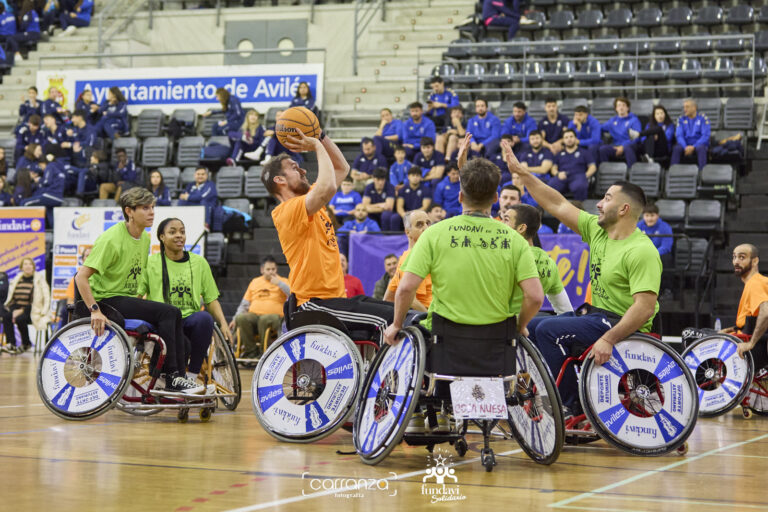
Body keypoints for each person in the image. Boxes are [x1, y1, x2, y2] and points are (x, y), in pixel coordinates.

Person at [504, 138, 661, 415]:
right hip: (597, 315)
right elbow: (557, 204)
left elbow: (645, 307)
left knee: (550, 331)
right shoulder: (598, 231)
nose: (599, 204)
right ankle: (570, 393)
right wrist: (523, 173)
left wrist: (609, 339)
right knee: (538, 325)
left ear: (624, 209)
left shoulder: (641, 250)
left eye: (607, 199)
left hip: (623, 324)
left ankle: (568, 404)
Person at [262, 128, 394, 342]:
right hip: (313, 303)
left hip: (334, 300)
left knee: (395, 311)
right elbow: (328, 185)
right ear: (280, 179)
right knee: (390, 318)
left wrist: (320, 136)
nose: (304, 171)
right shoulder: (286, 211)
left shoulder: (310, 203)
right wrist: (315, 146)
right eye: (295, 168)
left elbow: (342, 167)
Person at [74, 188, 205, 393]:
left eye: (152, 207)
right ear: (129, 211)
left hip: (124, 299)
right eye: (145, 208)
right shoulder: (111, 239)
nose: (151, 212)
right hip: (106, 300)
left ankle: (174, 376)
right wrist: (95, 310)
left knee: (174, 318)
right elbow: (80, 277)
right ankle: (171, 377)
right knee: (169, 312)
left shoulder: (144, 238)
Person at [139, 217, 232, 381]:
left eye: (182, 232)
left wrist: (224, 323)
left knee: (204, 318)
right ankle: (167, 376)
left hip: (189, 320)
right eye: (172, 232)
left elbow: (211, 299)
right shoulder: (150, 262)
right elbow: (138, 296)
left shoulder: (199, 262)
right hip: (162, 322)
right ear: (162, 237)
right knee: (183, 343)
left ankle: (192, 375)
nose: (179, 236)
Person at [503, 203, 573, 316]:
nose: (500, 225)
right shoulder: (549, 263)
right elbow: (565, 311)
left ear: (521, 228)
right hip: (526, 328)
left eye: (506, 220)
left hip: (496, 328)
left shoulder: (501, 257)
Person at [230, 256, 289, 359]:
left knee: (264, 319)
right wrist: (235, 318)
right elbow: (244, 304)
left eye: (273, 269)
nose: (271, 272)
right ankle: (251, 352)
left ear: (276, 269)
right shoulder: (255, 282)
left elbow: (292, 295)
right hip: (254, 315)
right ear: (262, 270)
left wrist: (279, 284)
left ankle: (264, 353)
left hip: (276, 317)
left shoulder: (283, 281)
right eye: (268, 269)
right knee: (241, 318)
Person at [723, 244, 768, 367]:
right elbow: (750, 320)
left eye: (742, 257)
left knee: (690, 334)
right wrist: (730, 330)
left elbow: (766, 313)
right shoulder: (753, 283)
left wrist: (751, 343)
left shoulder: (756, 283)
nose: (736, 261)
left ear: (755, 261)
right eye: (734, 257)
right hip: (743, 335)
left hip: (750, 344)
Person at [383, 210, 433, 312]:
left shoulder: (404, 257)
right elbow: (410, 299)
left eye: (428, 223)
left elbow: (387, 298)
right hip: (427, 314)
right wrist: (428, 318)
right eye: (419, 225)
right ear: (407, 232)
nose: (426, 228)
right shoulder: (413, 257)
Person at [0, 257, 49, 353]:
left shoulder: (39, 279)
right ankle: (11, 344)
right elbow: (11, 296)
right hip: (16, 306)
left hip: (32, 309)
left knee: (20, 319)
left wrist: (22, 310)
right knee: (6, 316)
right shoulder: (17, 279)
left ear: (33, 267)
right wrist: (12, 309)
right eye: (25, 264)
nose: (28, 266)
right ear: (21, 267)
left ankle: (26, 344)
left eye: (30, 264)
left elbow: (44, 298)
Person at [549, 129, 597, 201]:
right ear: (563, 140)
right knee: (551, 185)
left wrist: (585, 175)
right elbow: (553, 168)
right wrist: (558, 174)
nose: (569, 139)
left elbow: (593, 167)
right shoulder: (559, 154)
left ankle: (580, 208)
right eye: (566, 137)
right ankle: (554, 210)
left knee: (580, 186)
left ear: (575, 138)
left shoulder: (584, 152)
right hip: (563, 176)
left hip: (578, 176)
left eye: (571, 137)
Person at [599, 96, 641, 168]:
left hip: (630, 145)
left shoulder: (634, 120)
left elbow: (636, 137)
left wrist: (623, 146)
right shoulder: (612, 120)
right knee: (603, 149)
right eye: (619, 105)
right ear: (616, 108)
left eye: (623, 105)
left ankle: (630, 172)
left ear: (628, 108)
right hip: (616, 146)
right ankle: (606, 171)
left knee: (628, 148)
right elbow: (600, 128)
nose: (621, 108)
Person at [671, 98, 710, 170]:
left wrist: (693, 147)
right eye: (684, 107)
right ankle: (673, 171)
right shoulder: (681, 119)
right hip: (685, 144)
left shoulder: (703, 118)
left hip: (699, 144)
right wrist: (685, 146)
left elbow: (705, 136)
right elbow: (679, 136)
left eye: (687, 107)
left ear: (694, 108)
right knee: (676, 148)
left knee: (701, 148)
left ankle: (702, 173)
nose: (684, 109)